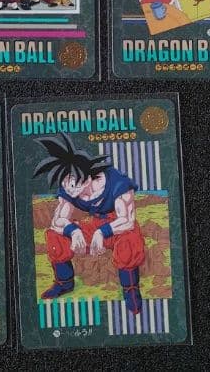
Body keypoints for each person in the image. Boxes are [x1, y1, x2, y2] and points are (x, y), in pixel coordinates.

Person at [33, 134, 145, 314]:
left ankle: (131, 289)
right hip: (93, 225)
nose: (67, 187)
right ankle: (64, 283)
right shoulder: (68, 188)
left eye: (71, 181)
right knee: (55, 235)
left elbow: (127, 221)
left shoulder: (117, 183)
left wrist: (103, 232)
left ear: (87, 176)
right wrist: (73, 231)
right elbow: (57, 221)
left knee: (130, 242)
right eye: (64, 181)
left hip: (117, 226)